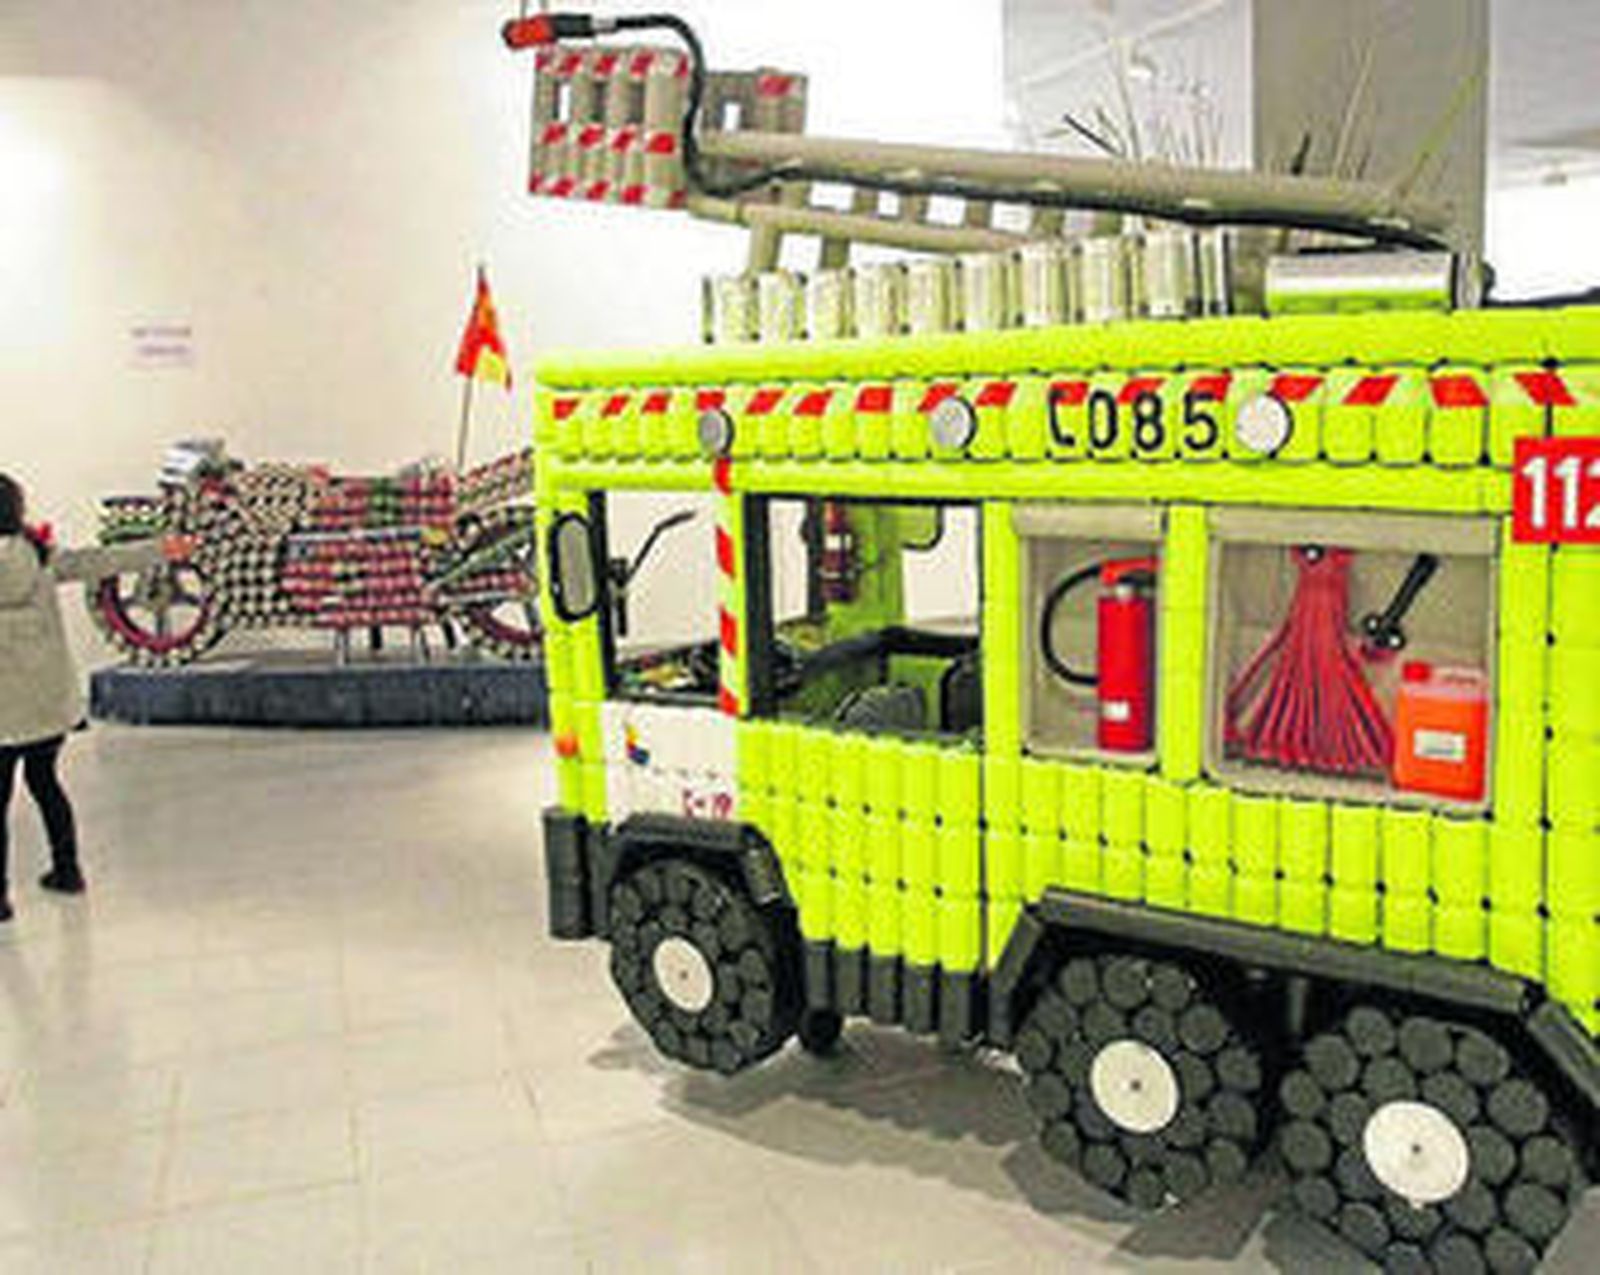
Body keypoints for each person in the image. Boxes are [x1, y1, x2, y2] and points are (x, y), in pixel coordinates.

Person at [0, 472, 192, 923]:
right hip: (47, 703)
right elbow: (101, 560)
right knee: (46, 785)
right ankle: (67, 871)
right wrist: (163, 549)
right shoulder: (40, 554)